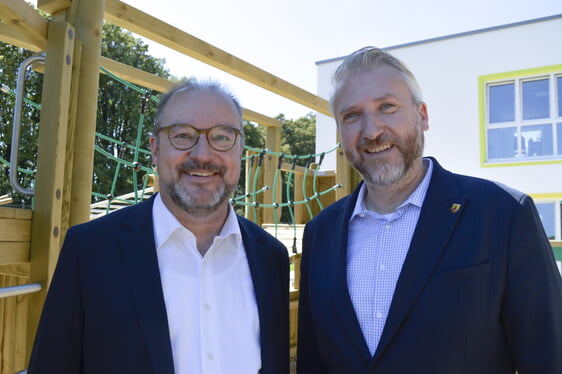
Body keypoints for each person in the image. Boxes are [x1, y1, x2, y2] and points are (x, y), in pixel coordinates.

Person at [296, 46, 562, 373]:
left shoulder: (504, 214)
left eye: (387, 107)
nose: (372, 130)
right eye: (352, 115)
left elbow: (549, 358)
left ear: (422, 116)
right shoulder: (320, 233)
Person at [28, 80, 290, 374]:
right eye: (182, 135)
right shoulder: (89, 250)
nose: (203, 154)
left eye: (222, 137)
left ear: (240, 149)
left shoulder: (272, 257)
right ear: (155, 149)